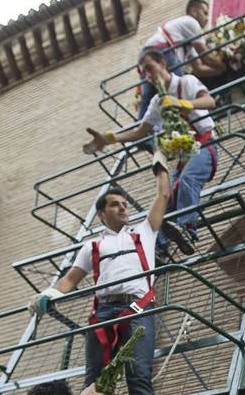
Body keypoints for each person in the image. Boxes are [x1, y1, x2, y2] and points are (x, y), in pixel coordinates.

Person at [30, 167, 170, 395]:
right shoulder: (92, 245)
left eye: (124, 204)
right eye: (115, 204)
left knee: (139, 372)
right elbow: (70, 280)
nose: (123, 208)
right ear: (101, 213)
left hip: (138, 306)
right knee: (95, 375)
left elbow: (163, 195)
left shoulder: (143, 233)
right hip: (104, 310)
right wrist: (48, 294)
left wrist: (162, 169)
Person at [89, 49, 218, 256]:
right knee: (167, 197)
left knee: (187, 181)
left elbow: (209, 101)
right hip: (184, 155)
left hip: (204, 144)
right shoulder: (157, 101)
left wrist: (182, 103)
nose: (148, 75)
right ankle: (158, 247)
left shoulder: (187, 82)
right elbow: (141, 132)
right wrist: (109, 138)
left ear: (162, 64)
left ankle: (188, 228)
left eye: (149, 68)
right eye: (144, 73)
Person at [135, 0, 222, 121]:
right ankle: (188, 119)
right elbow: (205, 55)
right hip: (160, 50)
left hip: (145, 57)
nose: (207, 18)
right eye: (205, 13)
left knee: (148, 98)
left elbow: (199, 68)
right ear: (194, 11)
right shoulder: (191, 22)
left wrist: (219, 71)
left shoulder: (186, 41)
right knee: (178, 86)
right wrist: (222, 64)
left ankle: (144, 136)